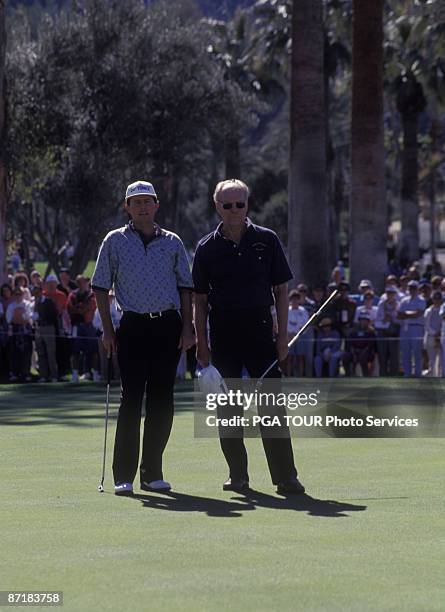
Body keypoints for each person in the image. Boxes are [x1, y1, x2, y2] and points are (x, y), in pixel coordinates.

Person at [192, 178, 304, 495]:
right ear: (217, 207)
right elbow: (199, 300)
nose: (234, 210)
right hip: (224, 332)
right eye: (227, 205)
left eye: (239, 204)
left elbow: (281, 291)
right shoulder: (206, 248)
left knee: (271, 407)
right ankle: (237, 475)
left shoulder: (267, 240)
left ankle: (286, 477)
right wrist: (202, 344)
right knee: (229, 409)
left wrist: (282, 337)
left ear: (247, 205)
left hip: (259, 331)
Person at [92, 180, 194, 496]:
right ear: (127, 207)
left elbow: (185, 287)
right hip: (133, 326)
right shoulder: (114, 241)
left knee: (163, 400)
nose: (142, 207)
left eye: (147, 201)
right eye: (136, 203)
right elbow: (99, 286)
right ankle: (124, 475)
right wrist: (108, 331)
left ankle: (152, 472)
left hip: (167, 326)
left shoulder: (173, 242)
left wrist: (188, 327)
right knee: (131, 400)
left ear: (156, 205)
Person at [398, 280, 426, 377]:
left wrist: (406, 314)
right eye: (410, 288)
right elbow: (399, 315)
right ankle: (407, 373)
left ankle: (418, 373)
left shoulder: (421, 300)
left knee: (417, 351)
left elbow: (418, 314)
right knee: (405, 352)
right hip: (405, 328)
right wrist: (410, 314)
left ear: (417, 289)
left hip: (416, 328)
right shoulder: (403, 300)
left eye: (414, 288)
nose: (412, 290)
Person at [374, 286, 400, 376]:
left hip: (394, 331)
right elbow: (377, 319)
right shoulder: (381, 304)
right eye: (388, 293)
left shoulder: (398, 305)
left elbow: (400, 319)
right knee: (382, 354)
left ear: (395, 295)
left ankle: (394, 374)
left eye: (392, 293)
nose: (390, 295)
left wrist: (392, 319)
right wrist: (384, 318)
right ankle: (383, 373)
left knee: (394, 355)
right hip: (383, 331)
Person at [423, 291, 442, 377]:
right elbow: (427, 325)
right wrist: (435, 334)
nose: (437, 300)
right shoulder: (428, 311)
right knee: (432, 359)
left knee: (441, 359)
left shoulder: (443, 310)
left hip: (442, 337)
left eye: (438, 298)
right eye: (435, 298)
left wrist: (440, 334)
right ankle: (433, 377)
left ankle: (440, 376)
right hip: (431, 337)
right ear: (432, 299)